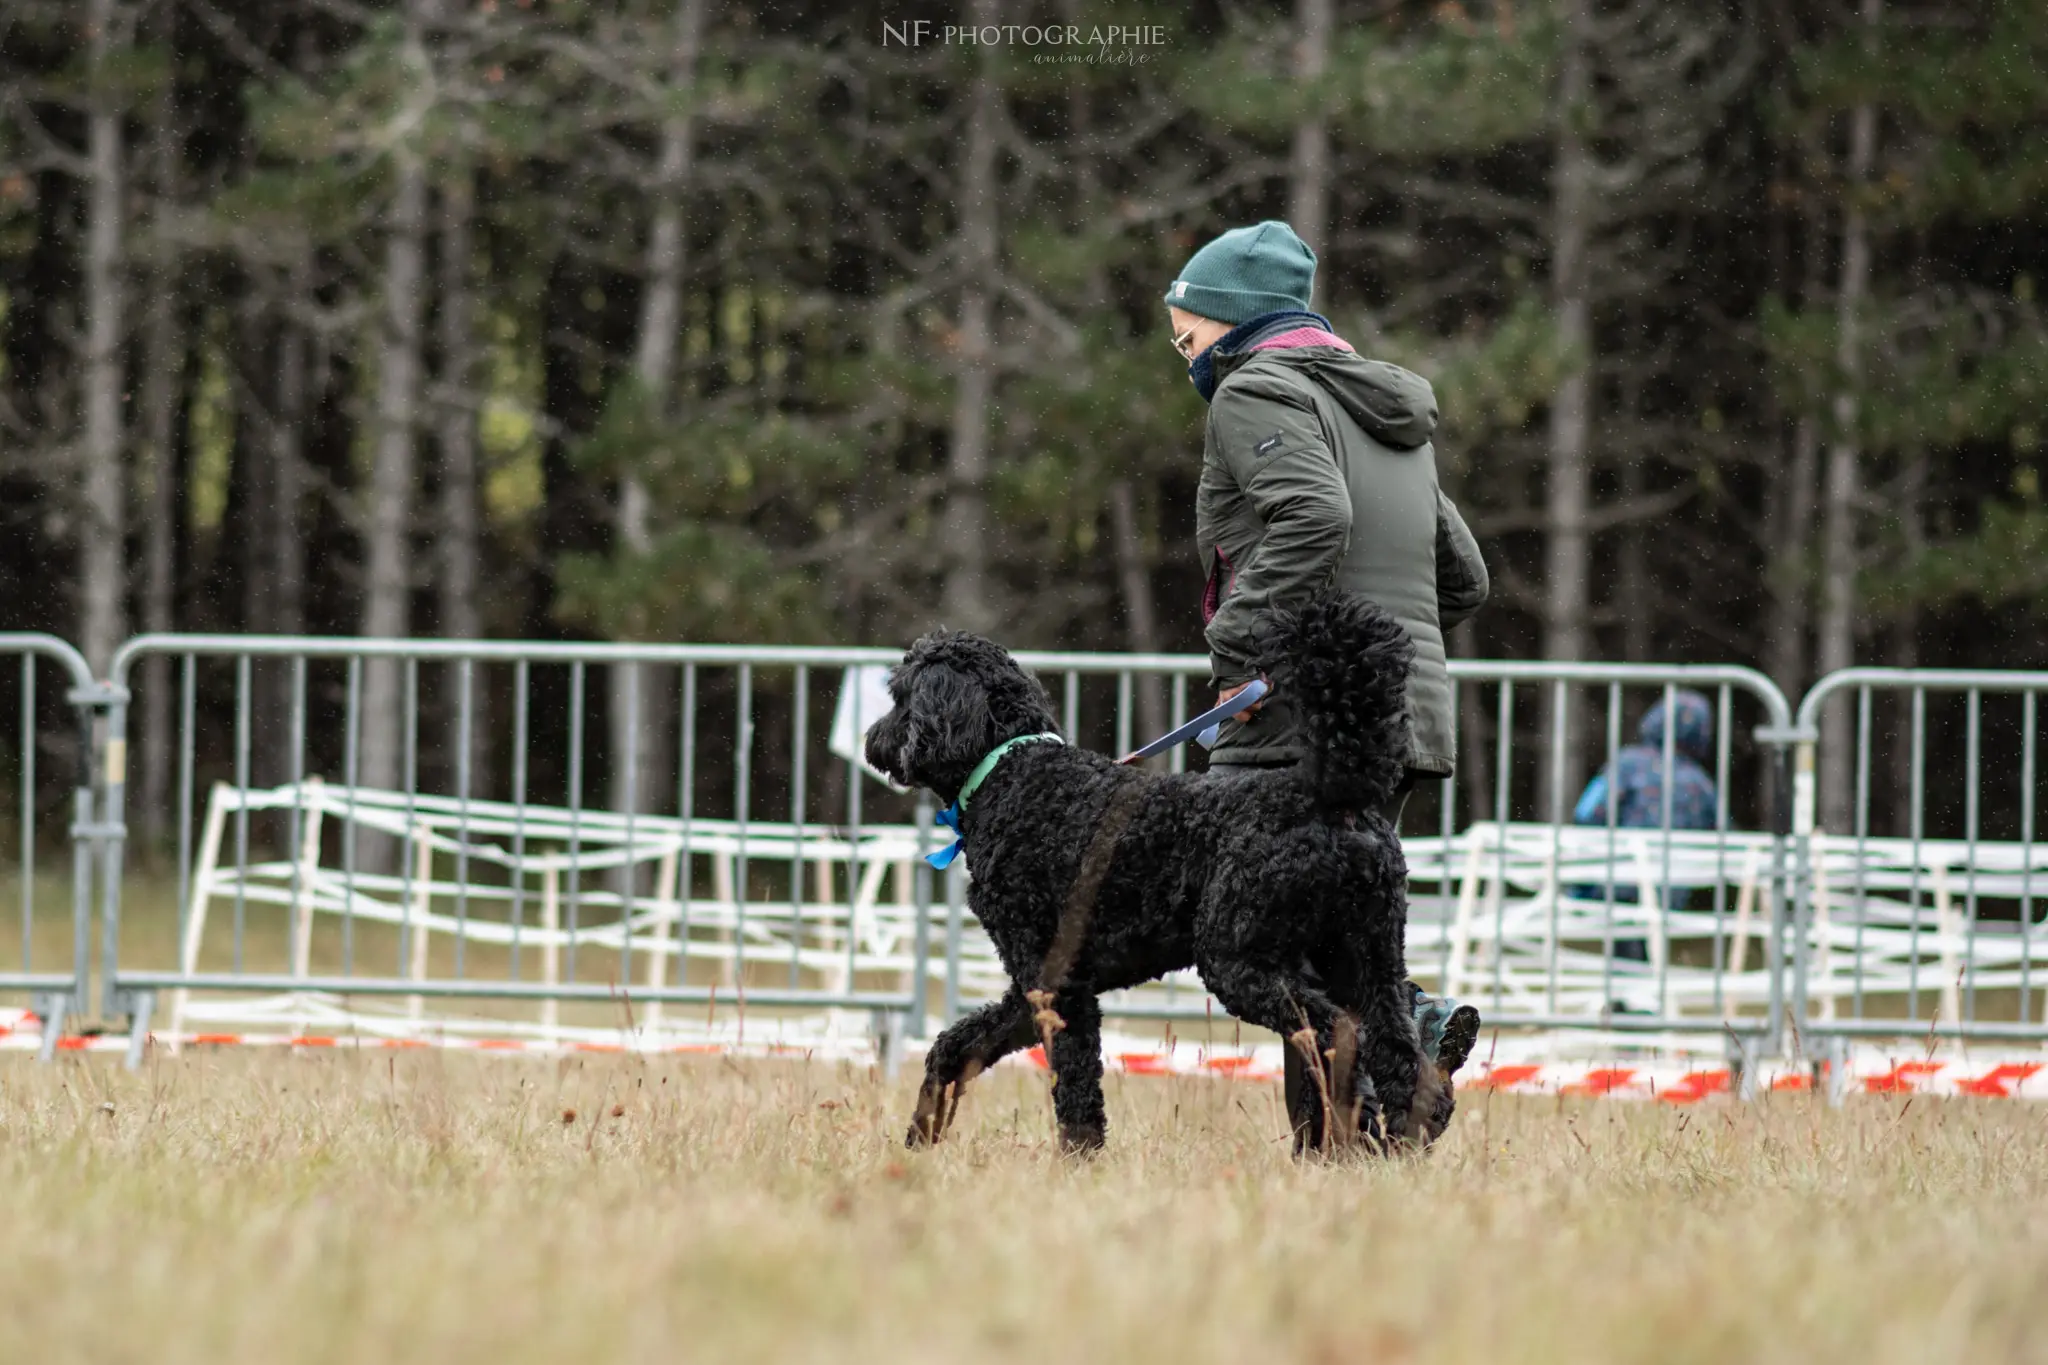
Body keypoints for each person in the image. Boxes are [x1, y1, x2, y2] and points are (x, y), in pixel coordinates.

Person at [1164, 220, 1490, 1085]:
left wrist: (1241, 639)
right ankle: (1374, 1130)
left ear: (1230, 320)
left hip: (1294, 717)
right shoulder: (1382, 406)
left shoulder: (1252, 392)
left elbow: (1316, 514)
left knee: (1243, 932)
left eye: (1185, 329)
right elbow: (1462, 577)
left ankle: (1402, 1033)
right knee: (1341, 937)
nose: (1179, 347)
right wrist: (1380, 652)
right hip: (1394, 718)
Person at [1569, 690, 1720, 962]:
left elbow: (1588, 811)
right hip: (1672, 885)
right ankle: (1638, 995)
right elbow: (1716, 832)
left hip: (1618, 877)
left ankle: (1628, 997)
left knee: (1624, 944)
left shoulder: (1628, 764)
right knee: (1646, 943)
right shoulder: (1702, 783)